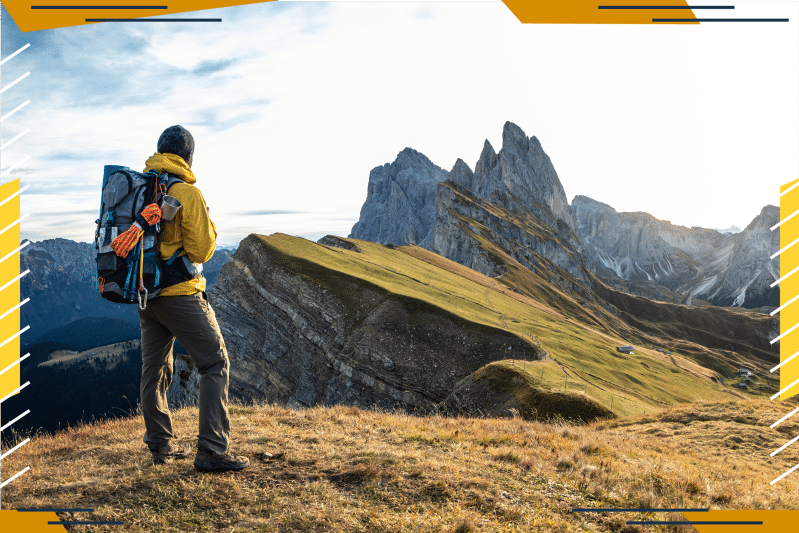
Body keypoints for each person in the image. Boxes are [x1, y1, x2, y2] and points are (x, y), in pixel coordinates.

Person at [135, 125, 248, 472]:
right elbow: (201, 249)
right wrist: (209, 223)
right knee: (215, 363)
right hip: (180, 295)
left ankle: (160, 447)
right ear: (188, 157)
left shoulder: (141, 190)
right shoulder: (188, 193)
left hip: (145, 294)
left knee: (153, 369)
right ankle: (212, 450)